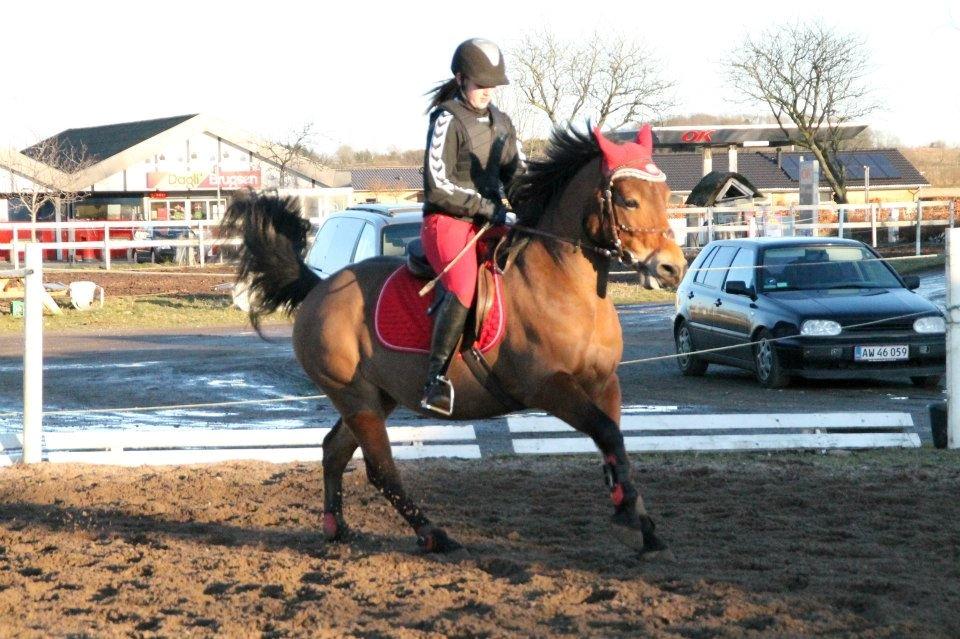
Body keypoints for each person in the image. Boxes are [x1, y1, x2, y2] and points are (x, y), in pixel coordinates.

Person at [420, 37, 524, 416]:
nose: (486, 91)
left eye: (491, 85)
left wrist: (531, 205)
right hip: (446, 221)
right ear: (461, 79)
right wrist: (485, 206)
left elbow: (517, 177)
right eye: (480, 84)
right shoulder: (447, 119)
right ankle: (435, 379)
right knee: (464, 286)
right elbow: (439, 183)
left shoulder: (503, 124)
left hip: (490, 221)